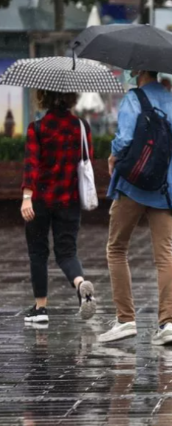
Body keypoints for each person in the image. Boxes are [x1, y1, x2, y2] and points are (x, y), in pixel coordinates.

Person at [99, 69, 172, 346]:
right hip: (166, 188)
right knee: (164, 254)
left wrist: (113, 156)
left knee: (116, 248)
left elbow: (125, 139)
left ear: (137, 71)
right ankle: (167, 323)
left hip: (133, 185)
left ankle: (125, 319)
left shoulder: (133, 99)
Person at [20, 90, 96, 325]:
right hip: (69, 200)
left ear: (43, 97)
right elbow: (87, 159)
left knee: (38, 253)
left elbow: (31, 165)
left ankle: (40, 309)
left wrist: (26, 196)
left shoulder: (37, 128)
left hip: (40, 202)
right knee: (67, 252)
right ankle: (81, 284)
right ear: (71, 97)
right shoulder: (81, 127)